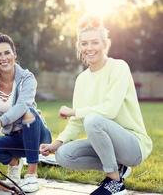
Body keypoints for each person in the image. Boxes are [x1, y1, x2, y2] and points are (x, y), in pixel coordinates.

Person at [40, 15, 152, 195]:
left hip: (133, 145)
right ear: (79, 47)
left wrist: (74, 111)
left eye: (94, 42)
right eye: (84, 44)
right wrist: (56, 143)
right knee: (63, 155)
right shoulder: (82, 79)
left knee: (93, 120)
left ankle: (115, 182)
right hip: (106, 142)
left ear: (105, 44)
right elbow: (77, 122)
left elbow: (110, 110)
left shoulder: (119, 67)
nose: (89, 48)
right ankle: (118, 167)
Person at [0, 32, 52, 193]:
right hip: (14, 138)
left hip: (38, 137)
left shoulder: (27, 78)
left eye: (7, 52)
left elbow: (22, 106)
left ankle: (32, 175)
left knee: (28, 113)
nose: (3, 58)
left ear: (14, 54)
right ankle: (15, 165)